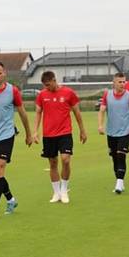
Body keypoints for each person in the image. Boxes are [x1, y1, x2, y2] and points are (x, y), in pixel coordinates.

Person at [0, 61, 32, 220]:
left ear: (5, 73)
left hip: (6, 135)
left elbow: (23, 113)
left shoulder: (13, 91)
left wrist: (28, 133)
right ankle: (11, 199)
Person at [32, 71, 87, 204]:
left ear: (54, 80)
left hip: (65, 133)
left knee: (65, 160)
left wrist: (82, 130)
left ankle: (64, 189)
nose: (47, 87)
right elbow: (38, 113)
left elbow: (77, 113)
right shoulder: (42, 95)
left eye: (49, 84)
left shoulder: (68, 93)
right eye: (45, 85)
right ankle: (56, 192)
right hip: (48, 135)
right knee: (53, 163)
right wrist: (35, 132)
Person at [97, 72, 129, 194]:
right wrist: (100, 125)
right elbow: (102, 111)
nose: (122, 84)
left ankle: (119, 182)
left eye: (124, 82)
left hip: (125, 132)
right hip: (111, 132)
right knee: (114, 158)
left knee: (121, 155)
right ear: (114, 83)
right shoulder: (107, 95)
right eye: (120, 82)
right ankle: (119, 180)